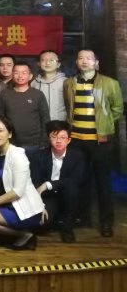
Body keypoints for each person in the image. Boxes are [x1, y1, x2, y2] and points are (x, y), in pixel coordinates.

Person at [63, 49, 123, 237]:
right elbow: (69, 107)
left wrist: (104, 124)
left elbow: (117, 109)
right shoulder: (69, 83)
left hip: (99, 141)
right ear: (76, 62)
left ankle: (106, 222)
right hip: (76, 141)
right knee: (79, 181)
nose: (84, 61)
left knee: (102, 182)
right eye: (80, 58)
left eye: (89, 58)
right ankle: (83, 218)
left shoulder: (110, 83)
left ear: (96, 62)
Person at [0, 118, 46, 250]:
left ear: (10, 134)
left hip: (23, 207)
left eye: (0, 130)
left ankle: (25, 235)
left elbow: (18, 192)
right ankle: (4, 236)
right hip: (7, 201)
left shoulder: (18, 155)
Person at [28, 121, 86, 243]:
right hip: (47, 196)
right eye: (54, 137)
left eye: (62, 138)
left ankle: (67, 228)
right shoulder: (38, 156)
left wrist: (49, 184)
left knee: (71, 187)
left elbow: (76, 180)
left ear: (69, 140)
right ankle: (55, 221)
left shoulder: (77, 156)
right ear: (49, 138)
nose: (58, 141)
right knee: (44, 224)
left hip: (68, 194)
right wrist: (39, 203)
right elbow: (35, 181)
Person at [0, 61, 50, 151]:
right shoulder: (4, 94)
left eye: (24, 73)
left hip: (34, 143)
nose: (20, 76)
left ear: (30, 76)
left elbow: (45, 119)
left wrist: (44, 142)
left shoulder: (38, 94)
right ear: (12, 75)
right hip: (10, 143)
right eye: (16, 72)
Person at [31, 50, 67, 122]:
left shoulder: (66, 82)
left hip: (61, 123)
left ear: (58, 64)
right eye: (43, 60)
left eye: (51, 60)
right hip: (39, 123)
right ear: (39, 63)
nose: (47, 63)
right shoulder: (34, 83)